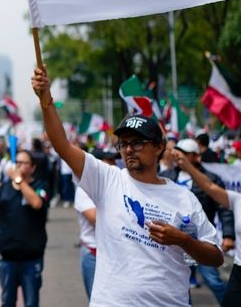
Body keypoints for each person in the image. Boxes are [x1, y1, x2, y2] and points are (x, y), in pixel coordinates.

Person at [32, 68, 223, 306]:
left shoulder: (183, 198)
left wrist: (183, 240)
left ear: (159, 147)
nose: (129, 149)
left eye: (138, 142)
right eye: (123, 143)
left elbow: (215, 257)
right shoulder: (107, 179)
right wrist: (46, 100)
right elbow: (62, 145)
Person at [161, 138, 234, 303]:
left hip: (200, 241)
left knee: (214, 281)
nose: (179, 156)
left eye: (185, 153)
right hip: (172, 242)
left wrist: (228, 235)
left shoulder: (210, 180)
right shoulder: (166, 177)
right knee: (178, 284)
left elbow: (224, 208)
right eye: (178, 152)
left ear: (195, 156)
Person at [0, 150, 49, 307]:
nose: (18, 166)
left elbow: (37, 203)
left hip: (31, 259)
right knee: (7, 302)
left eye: (23, 163)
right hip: (7, 259)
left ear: (32, 168)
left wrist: (19, 180)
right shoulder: (4, 187)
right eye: (17, 162)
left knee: (31, 303)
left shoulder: (41, 186)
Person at [74, 149, 119, 299]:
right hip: (94, 255)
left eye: (114, 161)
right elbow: (96, 220)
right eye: (109, 162)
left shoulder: (119, 186)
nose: (114, 165)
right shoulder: (84, 190)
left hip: (117, 254)